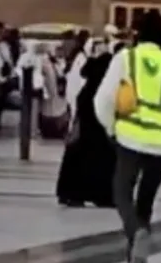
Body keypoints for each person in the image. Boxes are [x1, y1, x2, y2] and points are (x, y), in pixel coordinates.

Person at [95, 10, 161, 263]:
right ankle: (138, 253)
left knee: (121, 192)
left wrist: (110, 126)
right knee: (146, 199)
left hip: (129, 136)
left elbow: (104, 98)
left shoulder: (125, 58)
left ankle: (136, 232)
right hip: (160, 143)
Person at [56, 51, 116, 208]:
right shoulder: (102, 86)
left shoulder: (90, 85)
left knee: (78, 160)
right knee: (101, 162)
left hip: (85, 129)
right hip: (98, 131)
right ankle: (101, 195)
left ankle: (71, 193)